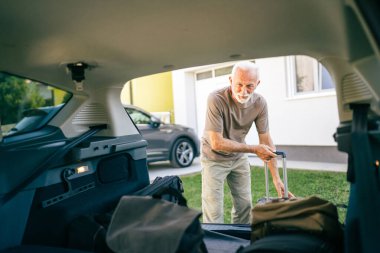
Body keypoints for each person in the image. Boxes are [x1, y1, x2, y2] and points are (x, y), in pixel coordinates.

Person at [201, 61, 293, 224]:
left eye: (249, 86)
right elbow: (216, 142)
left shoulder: (260, 103)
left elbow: (265, 141)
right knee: (214, 212)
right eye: (239, 85)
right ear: (230, 80)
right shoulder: (216, 99)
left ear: (257, 83)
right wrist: (253, 149)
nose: (243, 92)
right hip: (213, 158)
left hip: (238, 157)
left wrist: (276, 178)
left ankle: (240, 243)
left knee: (244, 206)